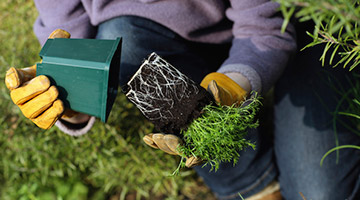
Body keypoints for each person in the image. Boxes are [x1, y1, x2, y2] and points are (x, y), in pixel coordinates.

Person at [4, 0, 360, 199]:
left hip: (302, 21)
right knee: (120, 37)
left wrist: (233, 85)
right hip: (159, 46)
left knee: (321, 193)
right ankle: (251, 183)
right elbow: (78, 49)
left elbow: (263, 27)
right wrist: (67, 100)